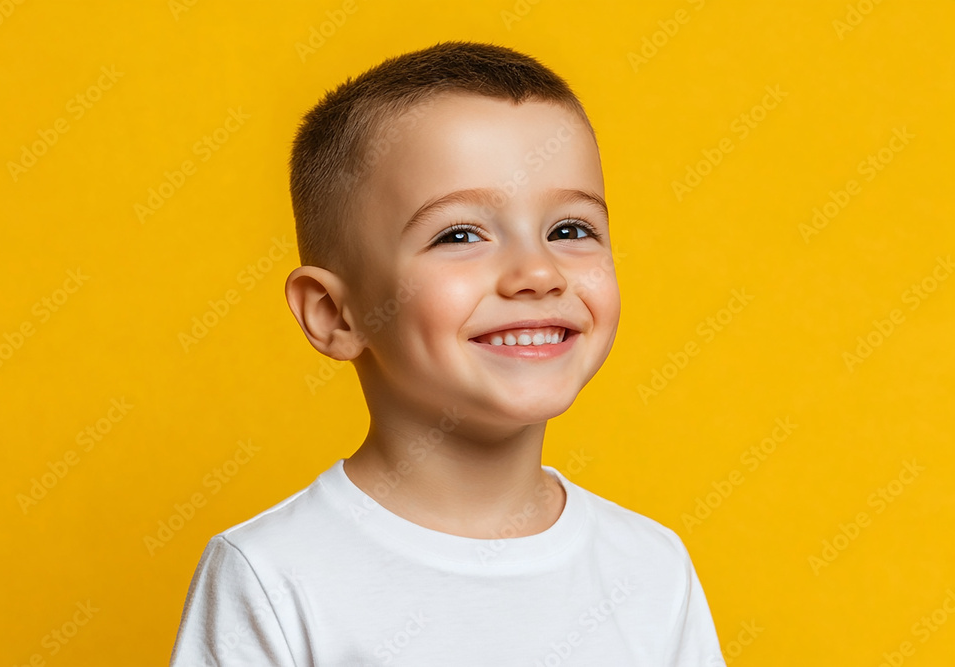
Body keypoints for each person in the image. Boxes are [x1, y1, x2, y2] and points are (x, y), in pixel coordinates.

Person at [170, 40, 726, 666]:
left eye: (569, 230)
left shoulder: (651, 570)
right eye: (459, 235)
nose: (539, 272)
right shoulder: (273, 576)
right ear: (333, 314)